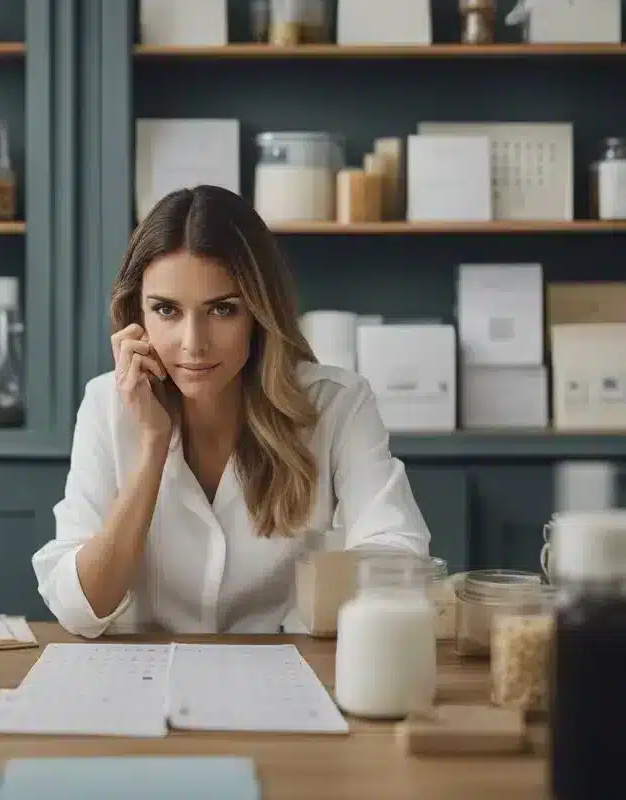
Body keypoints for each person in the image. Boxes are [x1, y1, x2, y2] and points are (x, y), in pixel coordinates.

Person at [32, 185, 430, 638]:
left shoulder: (338, 404)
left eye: (222, 310)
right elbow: (80, 609)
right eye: (166, 310)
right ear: (135, 316)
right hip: (142, 683)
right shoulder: (106, 404)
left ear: (260, 314)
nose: (193, 342)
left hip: (289, 679)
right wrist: (152, 446)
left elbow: (400, 558)